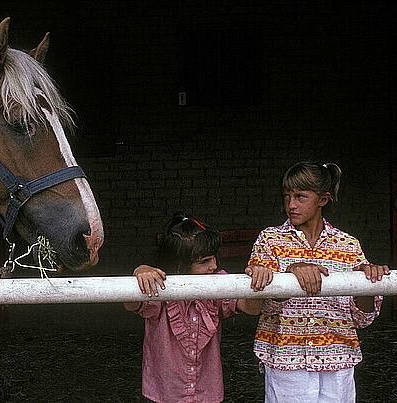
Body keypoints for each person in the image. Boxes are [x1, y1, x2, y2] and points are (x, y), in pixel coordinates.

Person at [248, 160, 390, 403]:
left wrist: (366, 281)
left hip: (338, 358)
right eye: (287, 196)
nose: (291, 205)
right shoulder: (269, 240)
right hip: (286, 358)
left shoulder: (348, 245)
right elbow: (257, 304)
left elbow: (362, 318)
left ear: (323, 200)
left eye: (301, 196)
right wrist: (291, 272)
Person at [124, 212, 273, 403]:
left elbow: (250, 308)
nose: (214, 265)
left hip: (206, 392)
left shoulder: (218, 282)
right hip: (164, 394)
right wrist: (139, 273)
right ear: (178, 265)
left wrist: (257, 282)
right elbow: (131, 304)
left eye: (214, 258)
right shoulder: (161, 287)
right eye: (204, 261)